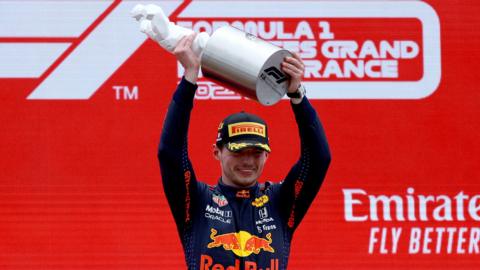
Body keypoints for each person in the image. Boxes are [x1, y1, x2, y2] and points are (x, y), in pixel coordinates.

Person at [158, 33, 331, 270]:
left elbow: (319, 159)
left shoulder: (280, 202)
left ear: (267, 155)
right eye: (238, 152)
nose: (248, 161)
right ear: (216, 152)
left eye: (256, 152)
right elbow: (170, 153)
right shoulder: (197, 201)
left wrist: (297, 94)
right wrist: (189, 79)